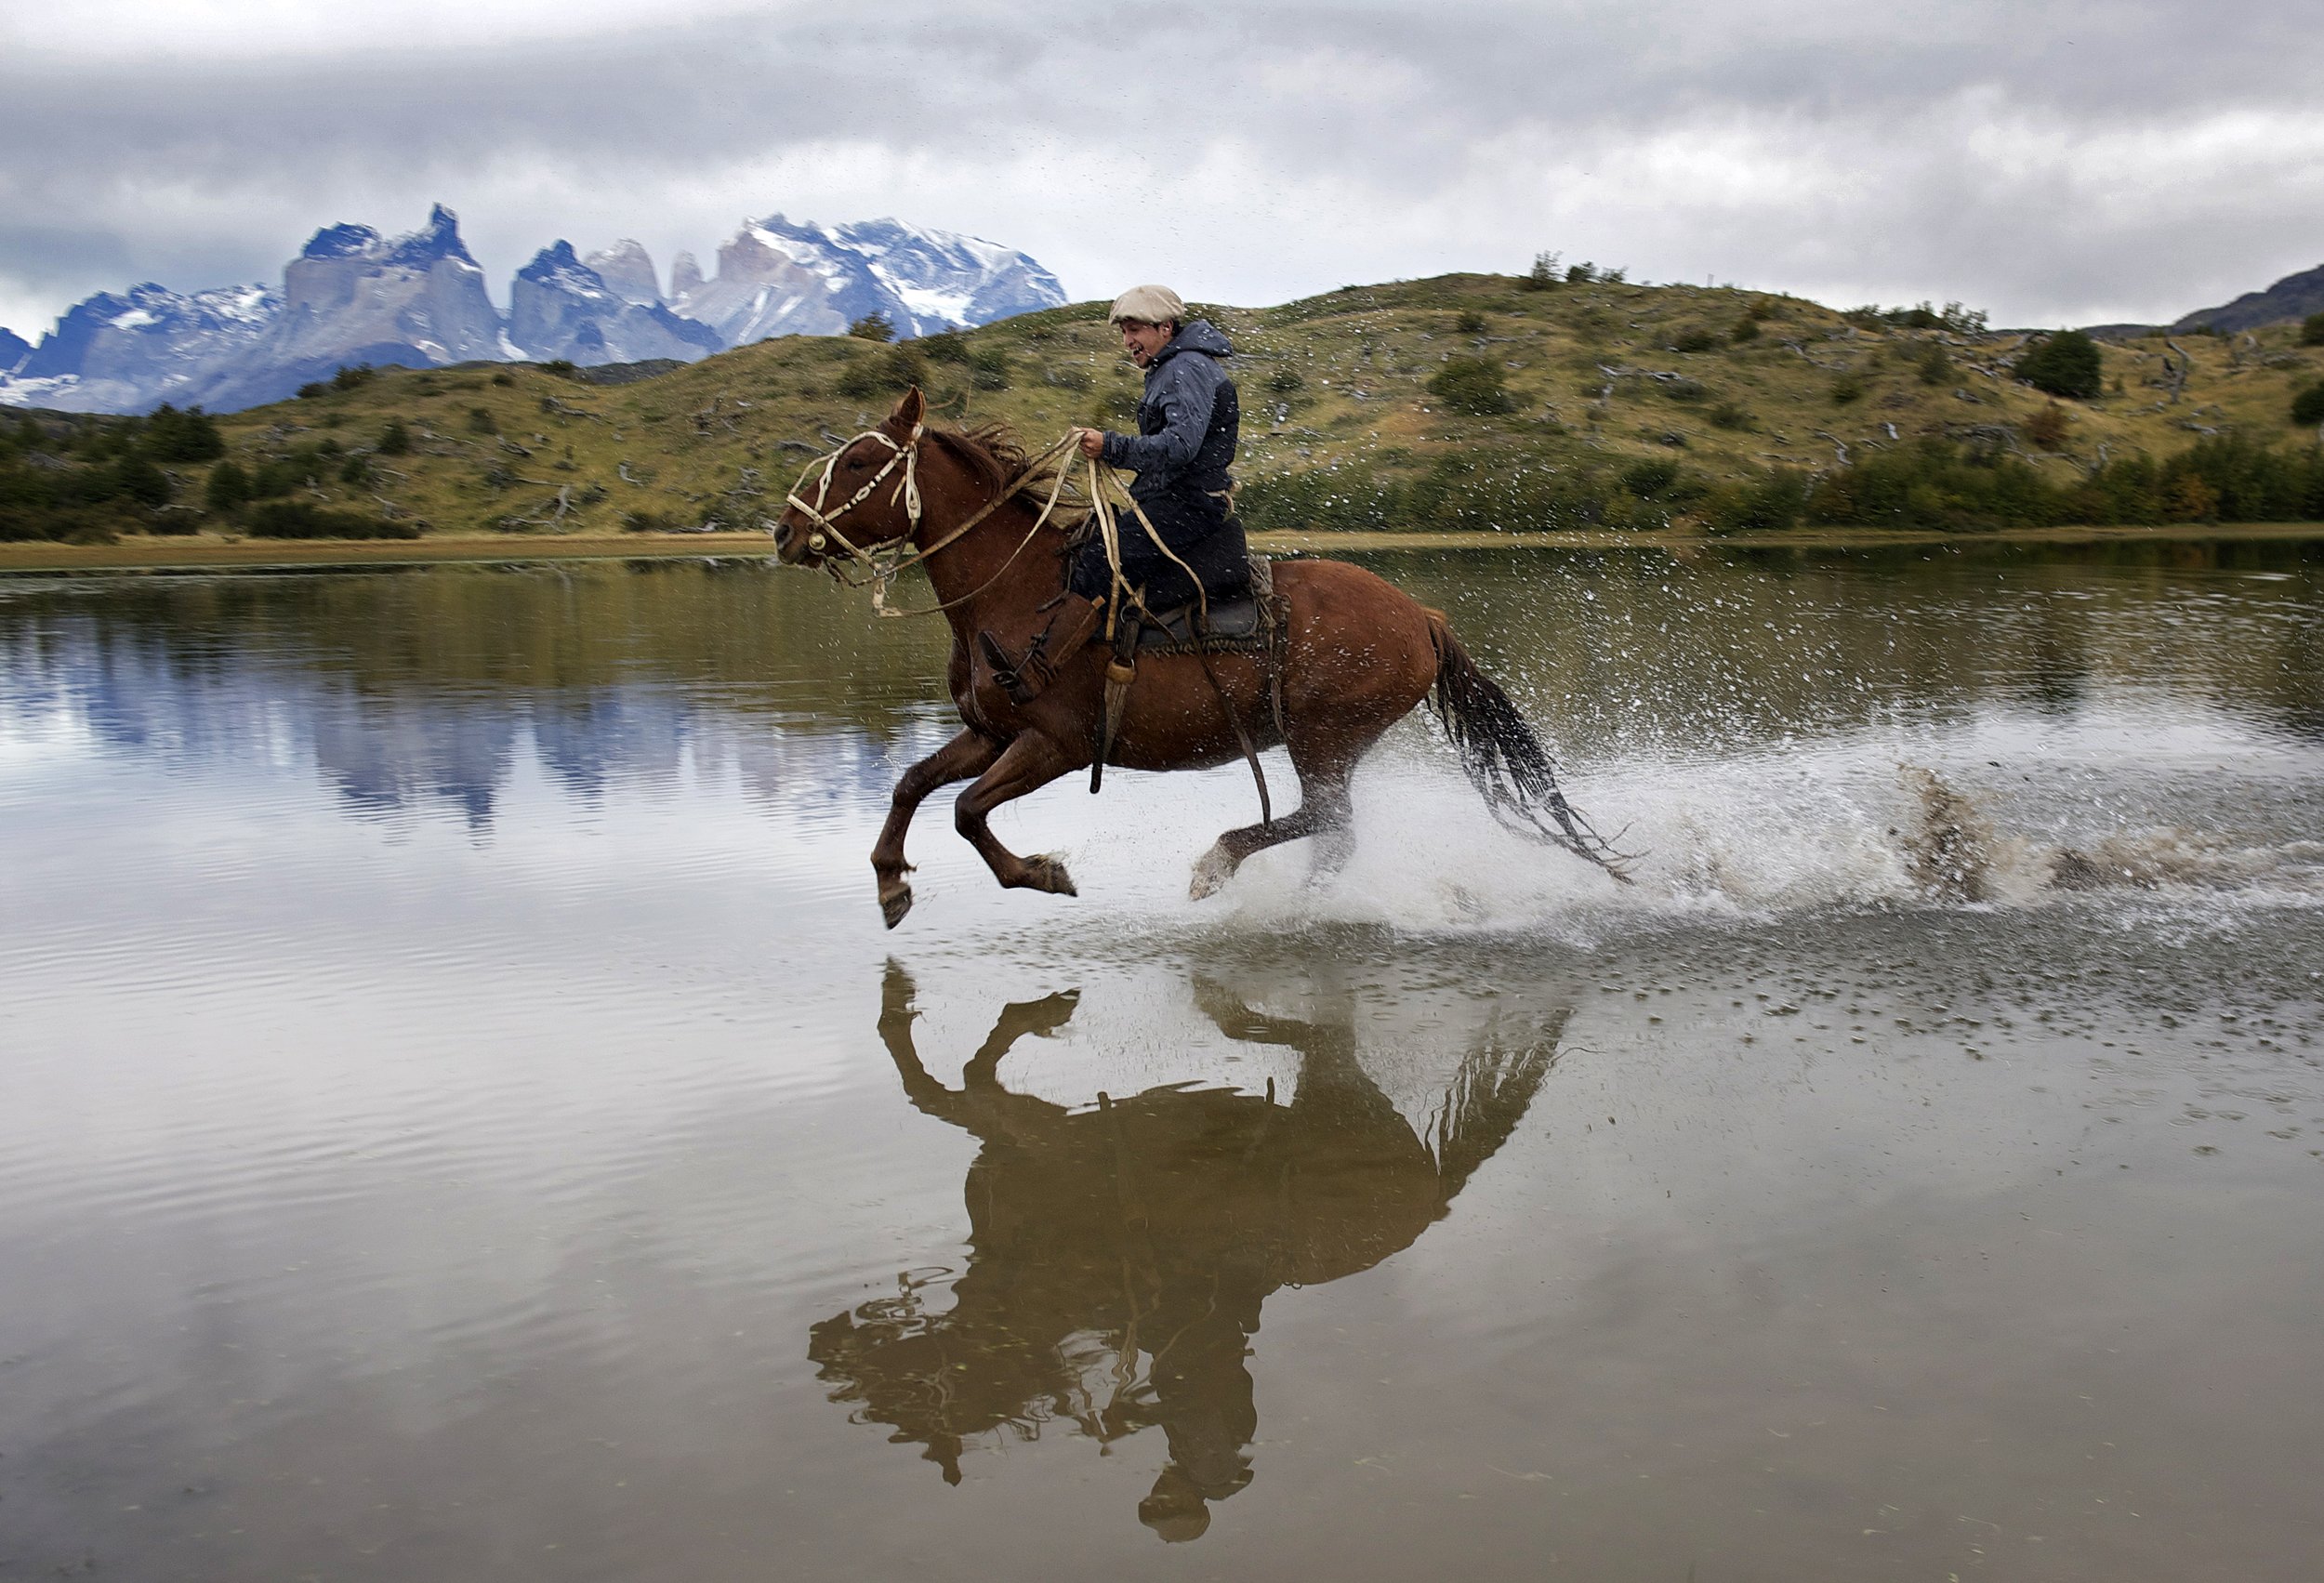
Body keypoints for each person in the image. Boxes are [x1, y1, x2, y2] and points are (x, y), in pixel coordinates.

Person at [978, 285, 1251, 705]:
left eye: (1135, 330)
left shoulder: (1185, 368)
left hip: (1188, 504)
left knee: (1102, 556)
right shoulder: (1173, 367)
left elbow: (1181, 447)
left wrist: (1112, 447)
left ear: (1165, 327)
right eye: (1124, 332)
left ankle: (1038, 673)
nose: (1128, 342)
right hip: (1172, 499)